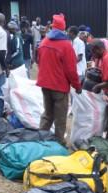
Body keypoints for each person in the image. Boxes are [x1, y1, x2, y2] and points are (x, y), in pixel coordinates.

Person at [37, 13, 82, 144]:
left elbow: (39, 61)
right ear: (64, 28)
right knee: (60, 117)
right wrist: (77, 86)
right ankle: (59, 143)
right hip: (59, 87)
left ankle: (40, 139)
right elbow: (71, 70)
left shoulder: (44, 41)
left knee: (47, 114)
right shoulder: (66, 45)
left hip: (45, 84)